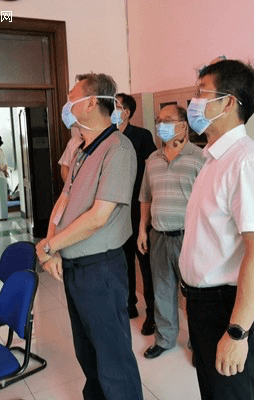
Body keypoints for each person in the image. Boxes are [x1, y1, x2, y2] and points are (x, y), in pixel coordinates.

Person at [178, 59, 254, 400]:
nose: (193, 102)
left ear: (228, 102)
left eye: (201, 93)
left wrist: (237, 332)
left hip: (231, 308)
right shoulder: (213, 159)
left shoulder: (248, 162)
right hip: (205, 305)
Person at [36, 73, 142, 400]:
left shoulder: (117, 149)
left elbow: (98, 217)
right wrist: (52, 245)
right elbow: (65, 198)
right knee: (88, 353)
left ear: (91, 102)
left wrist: (49, 246)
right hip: (76, 268)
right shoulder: (83, 149)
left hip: (101, 270)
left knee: (113, 358)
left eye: (72, 99)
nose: (67, 105)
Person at [137, 104, 205, 359]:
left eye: (167, 120)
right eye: (159, 120)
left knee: (194, 294)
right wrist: (142, 230)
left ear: (183, 125)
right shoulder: (153, 159)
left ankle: (198, 343)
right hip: (159, 236)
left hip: (189, 237)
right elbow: (145, 197)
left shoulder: (200, 158)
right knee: (162, 291)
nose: (160, 125)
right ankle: (165, 339)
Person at [115, 92, 158, 335]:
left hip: (138, 206)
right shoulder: (108, 136)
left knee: (145, 264)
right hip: (116, 209)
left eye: (116, 106)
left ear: (127, 112)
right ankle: (129, 304)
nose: (112, 110)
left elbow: (150, 170)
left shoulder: (141, 136)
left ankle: (152, 314)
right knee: (122, 262)